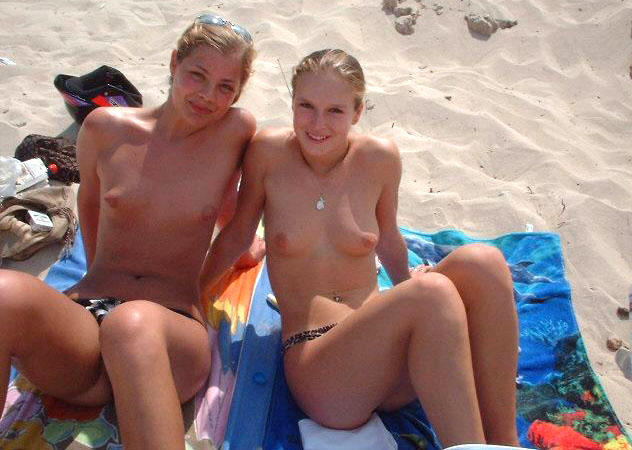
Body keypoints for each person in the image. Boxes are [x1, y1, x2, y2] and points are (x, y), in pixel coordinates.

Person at [199, 48, 520, 447]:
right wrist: (194, 297)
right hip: (323, 368)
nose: (317, 124)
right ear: (292, 103)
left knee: (483, 262)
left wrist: (406, 282)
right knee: (432, 292)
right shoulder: (268, 154)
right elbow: (236, 234)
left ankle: (506, 442)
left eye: (335, 110)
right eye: (306, 106)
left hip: (388, 354)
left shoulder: (379, 159)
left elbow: (386, 238)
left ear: (357, 112)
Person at [0, 15, 262, 450]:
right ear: (174, 62)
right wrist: (94, 278)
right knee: (6, 292)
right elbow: (90, 208)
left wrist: (202, 284)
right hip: (89, 327)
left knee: (131, 322)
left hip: (168, 331)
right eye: (197, 75)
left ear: (238, 92)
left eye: (225, 87)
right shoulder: (104, 129)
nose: (208, 96)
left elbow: (236, 225)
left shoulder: (236, 133)